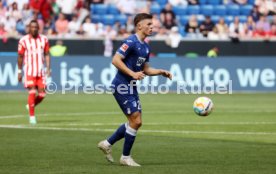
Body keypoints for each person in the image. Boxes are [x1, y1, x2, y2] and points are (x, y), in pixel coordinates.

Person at [97, 13, 172, 167]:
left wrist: (161, 72)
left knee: (135, 122)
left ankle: (107, 143)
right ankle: (125, 157)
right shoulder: (130, 41)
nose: (152, 27)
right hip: (121, 85)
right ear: (139, 26)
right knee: (136, 120)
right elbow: (115, 60)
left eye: (153, 25)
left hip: (130, 87)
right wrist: (132, 73)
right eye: (149, 24)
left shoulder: (145, 46)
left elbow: (146, 70)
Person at [17, 20, 51, 125]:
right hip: (29, 71)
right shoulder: (23, 40)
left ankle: (30, 105)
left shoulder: (44, 39)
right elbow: (20, 56)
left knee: (42, 94)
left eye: (36, 27)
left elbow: (46, 54)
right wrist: (19, 71)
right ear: (29, 28)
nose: (34, 29)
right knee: (32, 92)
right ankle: (32, 117)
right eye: (32, 27)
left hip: (40, 71)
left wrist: (48, 68)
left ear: (38, 28)